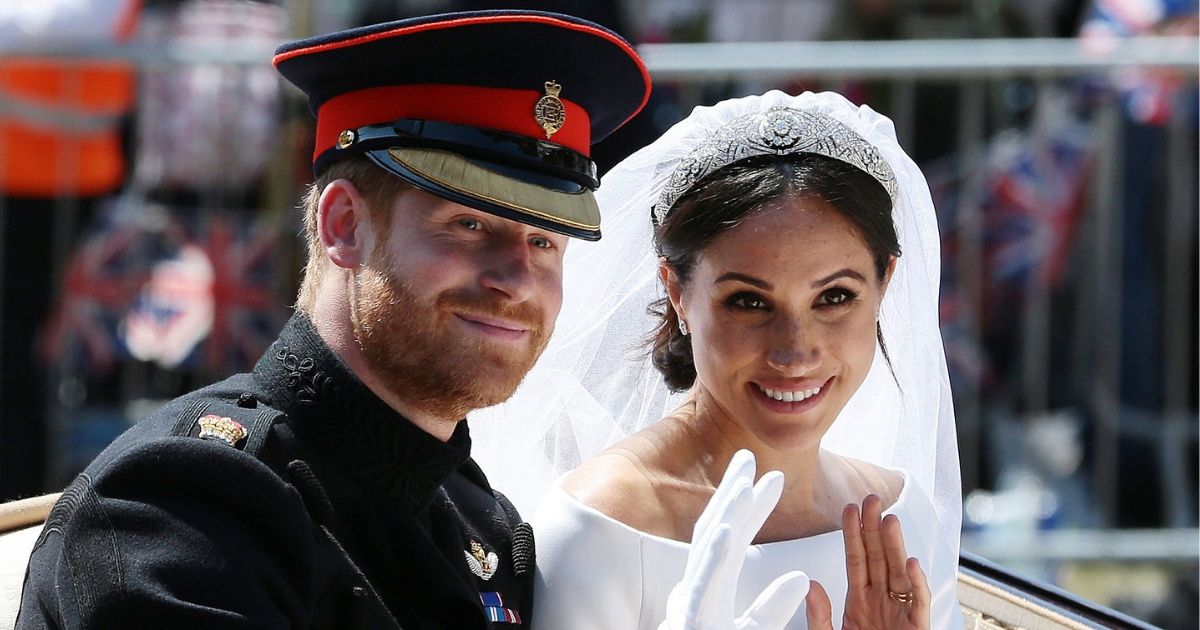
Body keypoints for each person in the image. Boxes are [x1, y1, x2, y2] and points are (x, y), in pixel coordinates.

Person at [17, 11, 651, 628]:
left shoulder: (478, 518)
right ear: (344, 225)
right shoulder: (188, 504)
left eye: (545, 242)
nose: (516, 280)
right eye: (471, 225)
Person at [472, 90, 963, 628]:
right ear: (678, 293)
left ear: (884, 284)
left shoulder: (902, 518)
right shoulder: (602, 524)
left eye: (834, 297)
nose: (794, 350)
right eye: (748, 302)